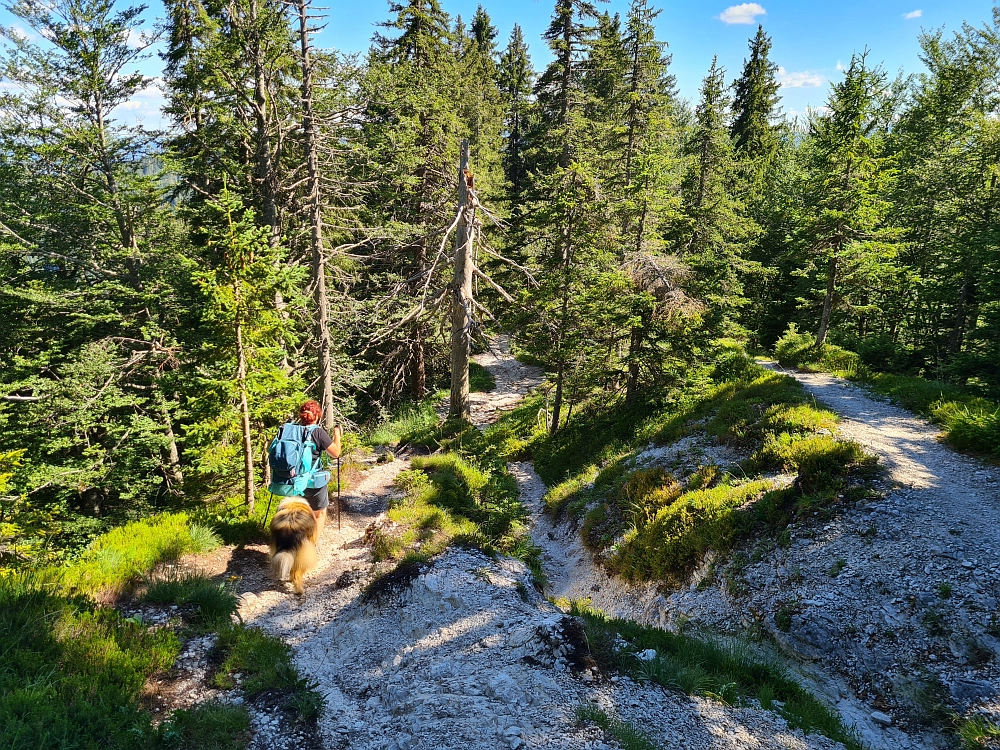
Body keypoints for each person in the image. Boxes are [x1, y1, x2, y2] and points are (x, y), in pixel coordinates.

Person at [296, 400, 342, 535]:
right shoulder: (317, 432)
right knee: (319, 514)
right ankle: (312, 545)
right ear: (316, 416)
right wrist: (337, 434)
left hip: (292, 482)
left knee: (298, 514)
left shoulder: (292, 430)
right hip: (312, 482)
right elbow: (336, 453)